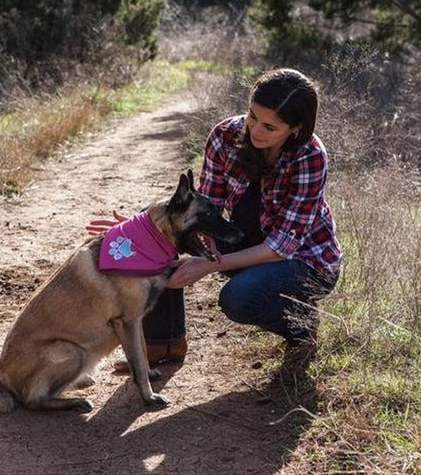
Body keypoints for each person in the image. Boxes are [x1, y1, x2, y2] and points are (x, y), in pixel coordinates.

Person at [87, 68, 342, 372]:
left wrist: (208, 264)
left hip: (303, 261)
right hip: (246, 241)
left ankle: (301, 326)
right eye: (252, 116)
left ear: (295, 129)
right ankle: (162, 342)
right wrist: (142, 229)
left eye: (270, 127)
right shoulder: (225, 136)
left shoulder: (309, 155)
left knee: (238, 298)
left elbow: (282, 246)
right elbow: (201, 212)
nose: (256, 130)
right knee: (159, 241)